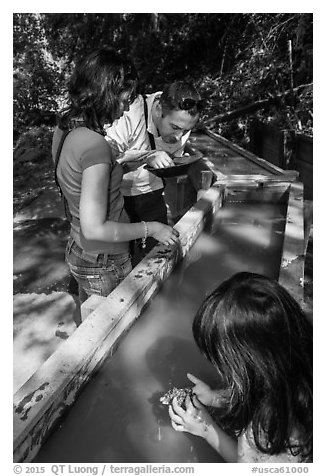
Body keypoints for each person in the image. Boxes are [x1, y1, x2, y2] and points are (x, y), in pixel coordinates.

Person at [53, 47, 179, 309]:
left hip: (79, 249)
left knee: (92, 319)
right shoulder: (96, 146)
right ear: (103, 94)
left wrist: (141, 159)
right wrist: (152, 228)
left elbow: (87, 178)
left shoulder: (65, 130)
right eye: (123, 99)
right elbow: (95, 227)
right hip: (105, 260)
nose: (124, 109)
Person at [168, 272, 313, 463]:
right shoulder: (300, 361)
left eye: (221, 362)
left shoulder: (265, 429)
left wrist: (206, 428)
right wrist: (215, 397)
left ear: (247, 363)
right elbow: (260, 392)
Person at [104, 81, 203, 260]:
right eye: (175, 128)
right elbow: (104, 164)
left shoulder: (181, 120)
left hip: (152, 193)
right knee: (118, 261)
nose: (179, 137)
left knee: (157, 256)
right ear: (158, 109)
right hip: (118, 198)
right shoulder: (129, 114)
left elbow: (173, 158)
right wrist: (146, 156)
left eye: (186, 130)